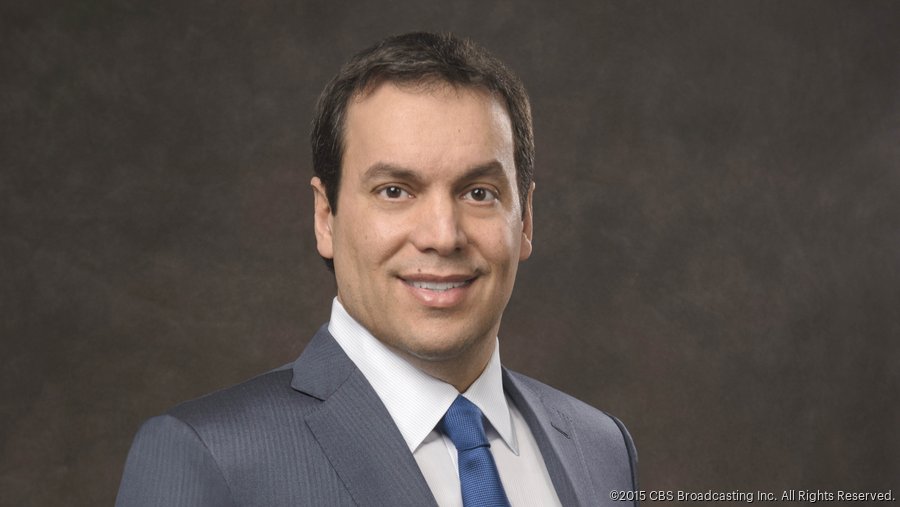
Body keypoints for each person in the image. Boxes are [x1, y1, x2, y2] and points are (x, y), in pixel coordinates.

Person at [116, 31, 638, 507]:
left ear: (525, 220)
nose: (442, 236)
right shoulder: (209, 458)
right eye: (395, 191)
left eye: (479, 193)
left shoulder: (602, 449)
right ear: (325, 217)